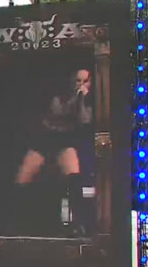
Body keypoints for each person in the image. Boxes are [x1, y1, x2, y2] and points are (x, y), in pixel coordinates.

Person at [14, 68, 94, 235]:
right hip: (44, 139)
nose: (80, 85)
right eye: (78, 81)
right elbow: (57, 112)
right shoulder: (59, 96)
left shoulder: (89, 101)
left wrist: (81, 100)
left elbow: (84, 121)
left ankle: (79, 223)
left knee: (72, 175)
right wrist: (74, 100)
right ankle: (18, 224)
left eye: (84, 81)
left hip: (65, 142)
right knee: (23, 178)